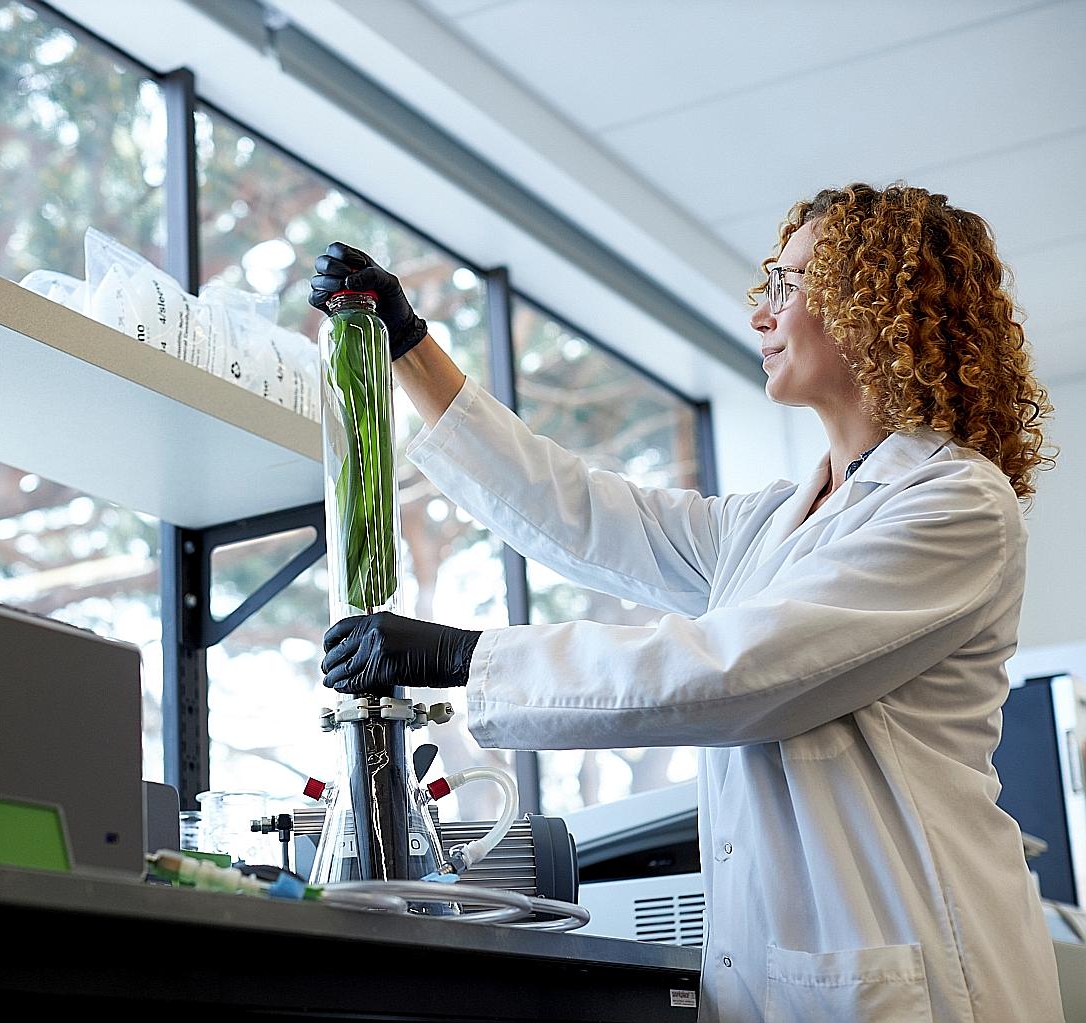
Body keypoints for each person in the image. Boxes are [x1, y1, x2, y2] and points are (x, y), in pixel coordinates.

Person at [310, 183, 1061, 1022]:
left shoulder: (956, 503)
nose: (762, 316)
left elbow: (736, 674)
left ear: (873, 304)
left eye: (789, 285)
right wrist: (411, 346)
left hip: (920, 968)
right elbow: (584, 514)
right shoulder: (771, 521)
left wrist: (464, 656)